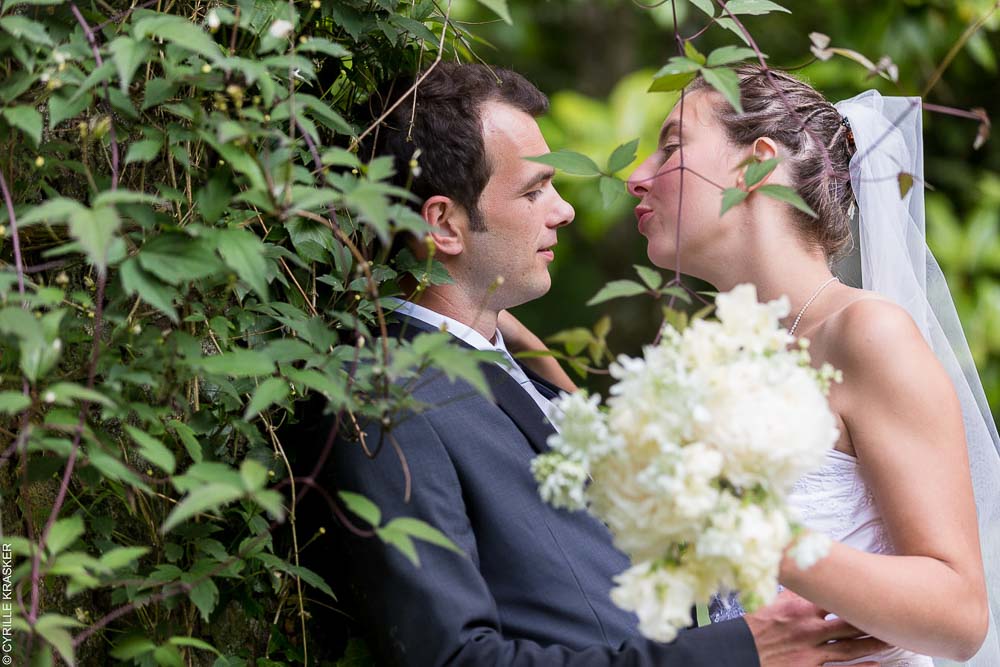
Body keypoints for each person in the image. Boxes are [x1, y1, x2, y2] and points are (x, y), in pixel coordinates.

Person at [324, 62, 889, 666]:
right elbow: (454, 660)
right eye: (534, 190)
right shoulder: (388, 399)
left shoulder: (504, 369)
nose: (565, 211)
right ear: (444, 224)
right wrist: (734, 653)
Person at [607, 65, 998, 665]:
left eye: (671, 149)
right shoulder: (718, 359)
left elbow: (960, 616)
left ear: (757, 164)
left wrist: (756, 534)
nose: (638, 178)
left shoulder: (865, 333)